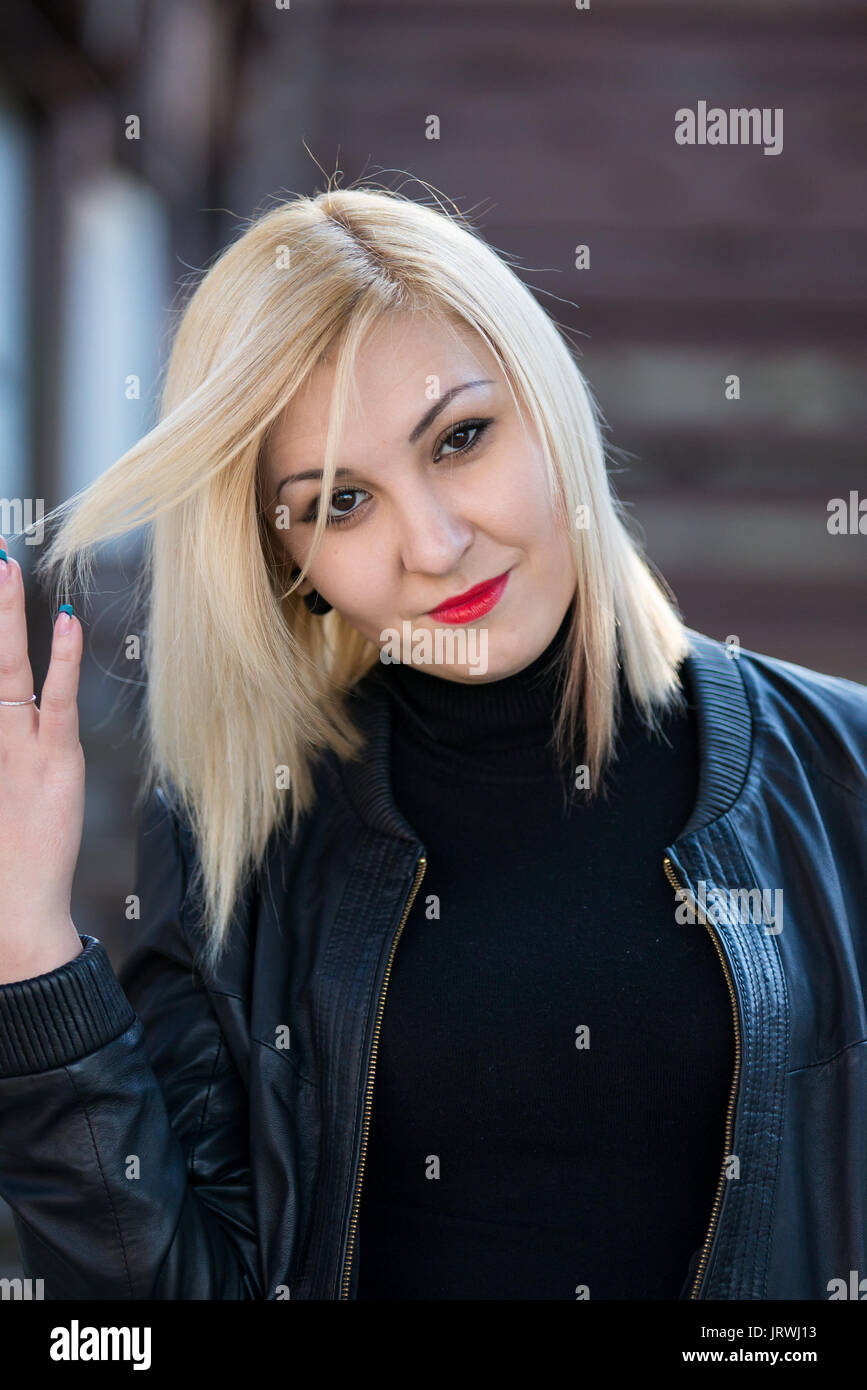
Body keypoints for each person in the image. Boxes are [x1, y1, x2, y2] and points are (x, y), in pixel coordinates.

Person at [0, 185, 865, 1301]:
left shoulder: (842, 773)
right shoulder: (242, 827)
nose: (436, 543)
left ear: (547, 404)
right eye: (340, 502)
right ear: (287, 567)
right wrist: (29, 949)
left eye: (460, 439)